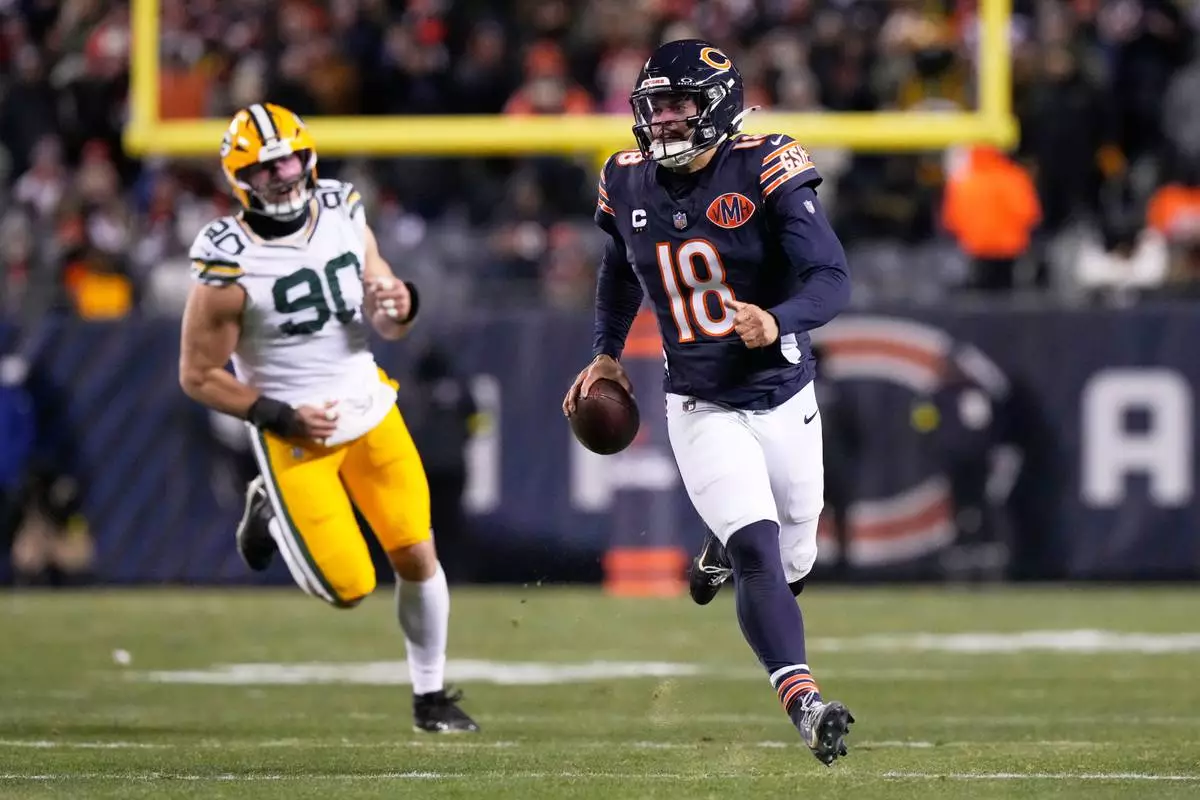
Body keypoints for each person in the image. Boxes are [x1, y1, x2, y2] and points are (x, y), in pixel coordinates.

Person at [562, 40, 853, 765]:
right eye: (654, 107)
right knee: (760, 553)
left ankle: (720, 544)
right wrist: (605, 350)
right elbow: (619, 270)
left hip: (783, 391)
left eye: (679, 106)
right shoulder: (625, 179)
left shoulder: (766, 164)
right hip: (700, 400)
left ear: (718, 106)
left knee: (794, 560)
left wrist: (778, 319)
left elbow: (831, 276)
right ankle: (805, 702)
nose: (663, 121)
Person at [178, 103, 478, 733]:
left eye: (288, 161)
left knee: (416, 551)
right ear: (240, 179)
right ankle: (269, 506)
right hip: (294, 430)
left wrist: (401, 301)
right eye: (265, 169)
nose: (281, 176)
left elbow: (389, 316)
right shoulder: (228, 258)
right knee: (347, 586)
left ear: (307, 158)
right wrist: (278, 415)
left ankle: (430, 698)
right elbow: (198, 374)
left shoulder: (342, 208)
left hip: (368, 407)